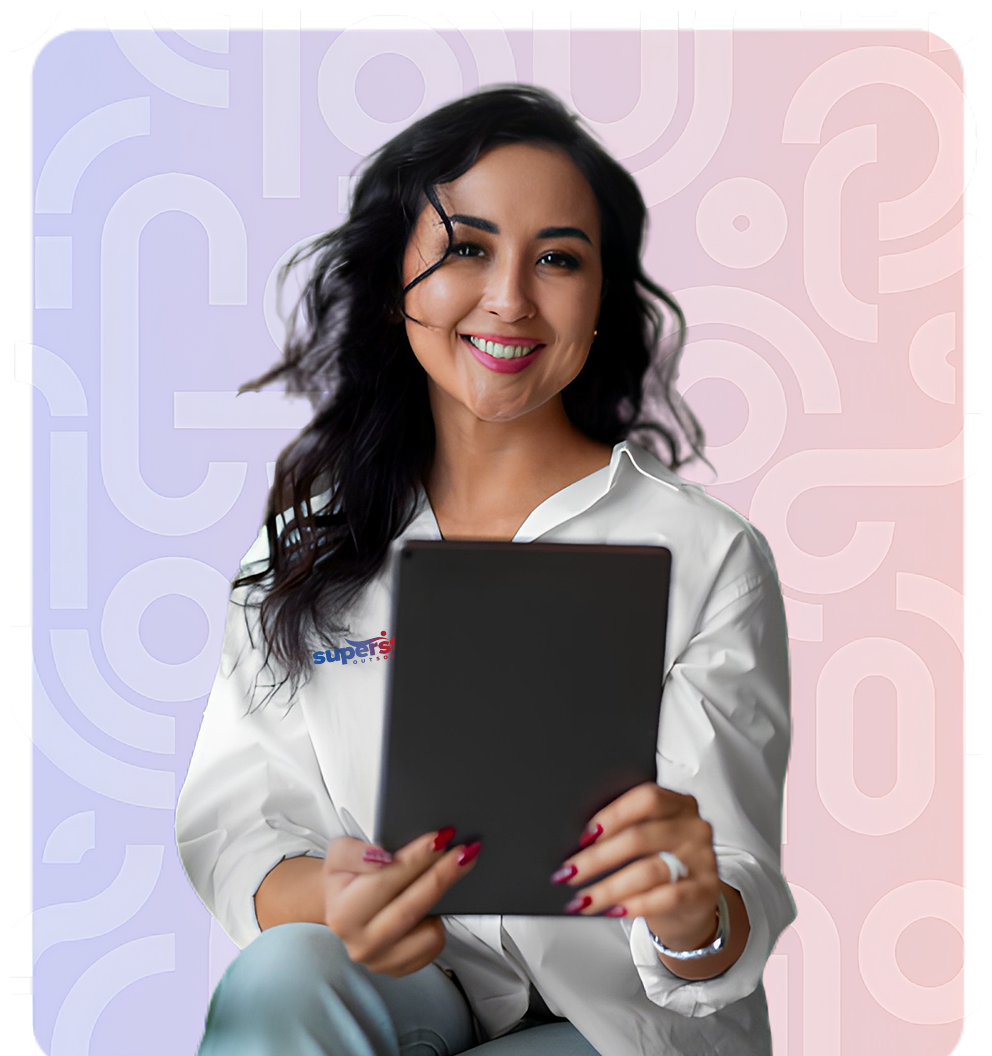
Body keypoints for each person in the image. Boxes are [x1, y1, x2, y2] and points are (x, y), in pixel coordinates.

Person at [175, 83, 795, 1056]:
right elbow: (240, 820)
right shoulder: (309, 538)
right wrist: (333, 899)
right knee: (284, 976)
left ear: (601, 301)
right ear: (397, 281)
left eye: (557, 258)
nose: (509, 298)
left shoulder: (707, 555)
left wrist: (691, 909)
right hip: (401, 991)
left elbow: (734, 878)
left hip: (616, 1030)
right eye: (466, 248)